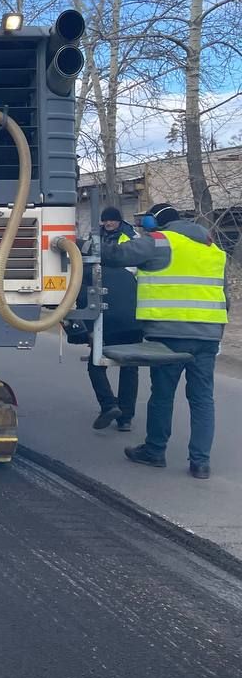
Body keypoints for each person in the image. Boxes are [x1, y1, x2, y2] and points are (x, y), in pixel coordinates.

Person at [105, 202, 230, 479]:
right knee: (202, 399)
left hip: (170, 334)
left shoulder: (160, 242)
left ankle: (155, 450)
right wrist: (218, 332)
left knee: (163, 394)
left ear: (157, 221)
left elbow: (116, 256)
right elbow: (225, 297)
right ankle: (200, 462)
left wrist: (80, 246)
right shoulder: (214, 249)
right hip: (208, 335)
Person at [85, 206, 143, 430]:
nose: (108, 223)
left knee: (97, 363)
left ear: (119, 221)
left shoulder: (130, 238)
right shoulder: (96, 237)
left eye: (111, 220)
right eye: (105, 220)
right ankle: (125, 416)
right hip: (132, 311)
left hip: (111, 308)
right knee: (130, 366)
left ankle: (111, 406)